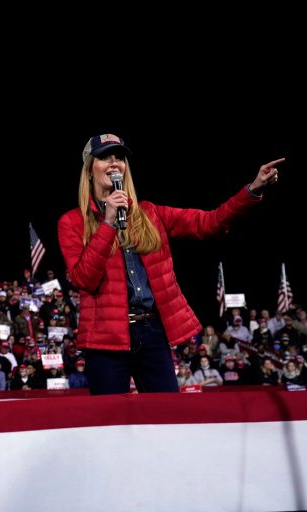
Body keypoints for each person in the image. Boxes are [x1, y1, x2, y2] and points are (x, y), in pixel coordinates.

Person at [58, 133, 283, 395]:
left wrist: (252, 189)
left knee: (167, 416)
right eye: (105, 157)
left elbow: (208, 223)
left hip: (152, 332)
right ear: (88, 169)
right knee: (110, 424)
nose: (114, 163)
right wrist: (108, 223)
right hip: (105, 340)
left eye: (119, 158)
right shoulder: (71, 223)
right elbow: (84, 279)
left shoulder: (150, 214)